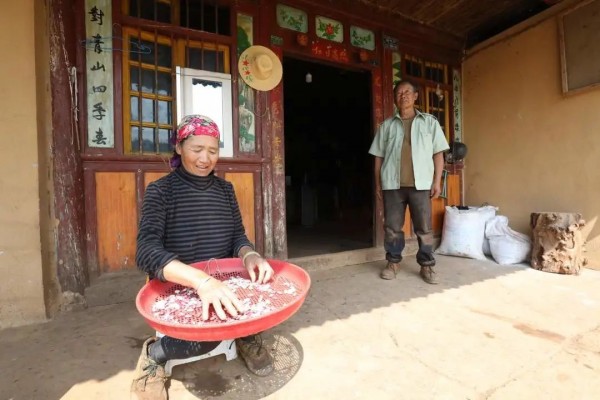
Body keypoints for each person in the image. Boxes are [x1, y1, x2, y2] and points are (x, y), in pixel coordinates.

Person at [131, 115, 275, 400]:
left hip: (223, 282)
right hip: (183, 287)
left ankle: (244, 336)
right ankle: (154, 354)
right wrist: (201, 282)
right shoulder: (160, 191)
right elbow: (146, 251)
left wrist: (250, 255)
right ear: (179, 147)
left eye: (212, 150)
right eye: (197, 149)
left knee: (263, 300)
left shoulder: (225, 190)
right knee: (204, 342)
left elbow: (238, 237)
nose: (205, 159)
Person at [368, 80, 450, 284]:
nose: (402, 96)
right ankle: (393, 262)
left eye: (407, 92)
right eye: (398, 93)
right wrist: (378, 184)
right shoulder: (386, 126)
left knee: (424, 228)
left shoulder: (429, 122)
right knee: (392, 227)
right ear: (395, 99)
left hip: (420, 185)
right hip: (392, 185)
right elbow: (378, 157)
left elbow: (438, 154)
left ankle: (427, 266)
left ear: (415, 96)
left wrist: (437, 181)